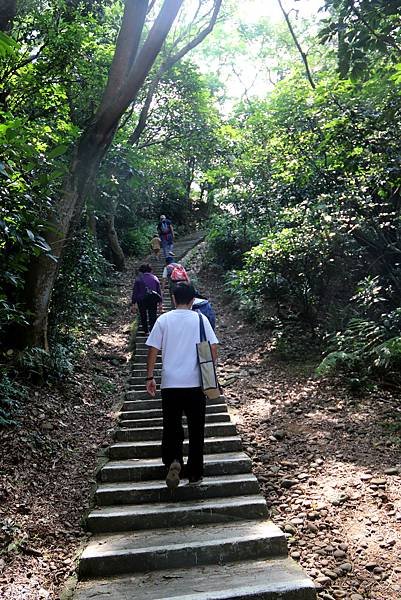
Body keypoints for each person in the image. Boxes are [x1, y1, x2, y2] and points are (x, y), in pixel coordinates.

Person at [146, 283, 218, 489]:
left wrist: (150, 377)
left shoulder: (163, 320)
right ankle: (194, 473)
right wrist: (209, 369)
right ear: (193, 300)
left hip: (170, 384)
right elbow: (213, 349)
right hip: (195, 384)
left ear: (174, 299)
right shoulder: (201, 319)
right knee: (197, 429)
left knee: (171, 426)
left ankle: (173, 460)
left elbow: (152, 349)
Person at [131, 264, 162, 335]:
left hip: (141, 300)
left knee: (143, 315)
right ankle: (152, 331)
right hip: (153, 299)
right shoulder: (155, 278)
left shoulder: (138, 279)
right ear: (150, 270)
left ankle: (146, 331)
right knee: (153, 315)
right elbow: (159, 291)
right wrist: (160, 303)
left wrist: (133, 304)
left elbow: (135, 292)